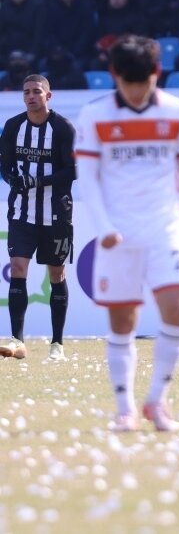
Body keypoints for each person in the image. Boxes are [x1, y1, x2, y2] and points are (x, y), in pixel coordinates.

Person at [75, 35, 179, 432]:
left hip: (164, 226)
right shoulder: (94, 115)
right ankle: (124, 408)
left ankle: (157, 402)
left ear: (156, 74)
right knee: (123, 322)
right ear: (113, 75)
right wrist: (104, 228)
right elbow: (88, 178)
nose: (134, 92)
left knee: (176, 311)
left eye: (142, 83)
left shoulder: (178, 112)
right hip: (119, 233)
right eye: (127, 83)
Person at [0, 76, 76, 361]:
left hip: (56, 213)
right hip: (22, 212)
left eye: (37, 92)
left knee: (56, 273)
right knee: (18, 267)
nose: (31, 96)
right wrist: (12, 180)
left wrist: (37, 182)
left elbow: (73, 170)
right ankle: (16, 340)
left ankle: (57, 344)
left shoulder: (63, 128)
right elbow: (4, 165)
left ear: (48, 96)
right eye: (26, 92)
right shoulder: (13, 127)